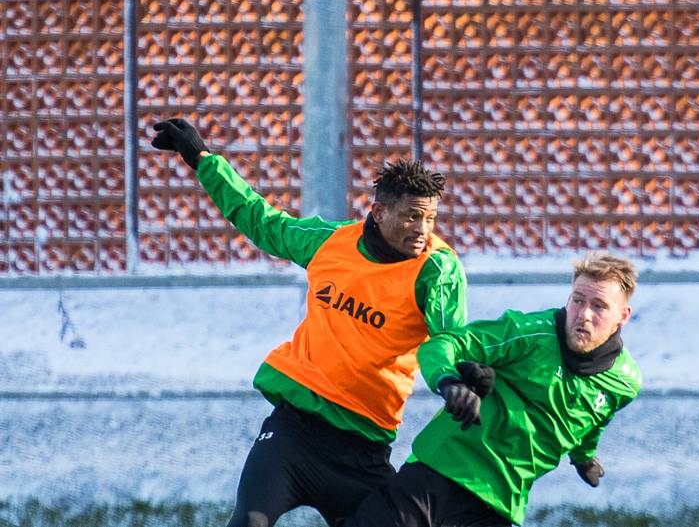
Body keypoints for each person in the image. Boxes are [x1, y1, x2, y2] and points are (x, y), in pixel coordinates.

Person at [150, 118, 468, 527]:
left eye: (430, 219)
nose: (422, 231)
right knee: (249, 522)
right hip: (293, 436)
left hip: (364, 451)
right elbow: (262, 222)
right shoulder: (330, 242)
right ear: (379, 212)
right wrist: (203, 160)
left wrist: (453, 380)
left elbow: (449, 339)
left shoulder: (436, 270)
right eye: (411, 217)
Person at [344, 251, 641, 527]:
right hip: (440, 471)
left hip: (500, 503)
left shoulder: (625, 383)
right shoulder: (529, 334)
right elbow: (444, 344)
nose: (584, 314)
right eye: (578, 300)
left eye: (599, 306)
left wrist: (583, 457)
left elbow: (591, 421)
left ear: (623, 316)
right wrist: (449, 382)